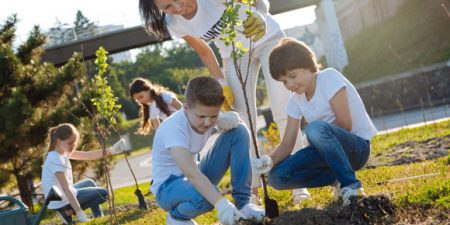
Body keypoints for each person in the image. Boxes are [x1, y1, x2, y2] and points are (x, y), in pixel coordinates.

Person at [138, 0, 310, 204]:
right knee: (242, 121)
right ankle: (251, 192)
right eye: (167, 7)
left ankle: (299, 183)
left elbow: (259, 2)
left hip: (266, 39)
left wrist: (260, 16)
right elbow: (204, 51)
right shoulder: (175, 22)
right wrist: (221, 80)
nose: (177, 8)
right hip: (234, 55)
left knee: (282, 111)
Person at [251, 37, 378, 206]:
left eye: (292, 76)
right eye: (284, 81)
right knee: (276, 177)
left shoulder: (329, 77)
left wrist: (316, 138)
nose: (290, 84)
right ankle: (337, 180)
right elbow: (287, 145)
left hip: (356, 148)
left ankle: (352, 186)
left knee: (313, 129)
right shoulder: (295, 100)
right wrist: (268, 161)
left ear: (307, 64)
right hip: (326, 154)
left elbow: (346, 124)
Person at [151, 76, 264, 225]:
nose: (208, 122)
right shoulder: (173, 129)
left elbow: (230, 131)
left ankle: (243, 204)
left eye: (214, 116)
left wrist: (226, 119)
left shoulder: (207, 117)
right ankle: (176, 217)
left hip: (193, 176)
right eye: (201, 116)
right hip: (167, 188)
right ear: (186, 108)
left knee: (239, 131)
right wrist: (223, 206)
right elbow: (191, 173)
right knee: (208, 198)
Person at [41, 123, 127, 224]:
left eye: (74, 143)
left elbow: (88, 155)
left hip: (60, 195)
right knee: (104, 194)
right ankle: (68, 211)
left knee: (89, 183)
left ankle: (99, 217)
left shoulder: (62, 151)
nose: (73, 146)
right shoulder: (56, 160)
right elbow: (66, 189)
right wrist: (79, 213)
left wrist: (112, 150)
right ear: (59, 141)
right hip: (61, 201)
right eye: (70, 143)